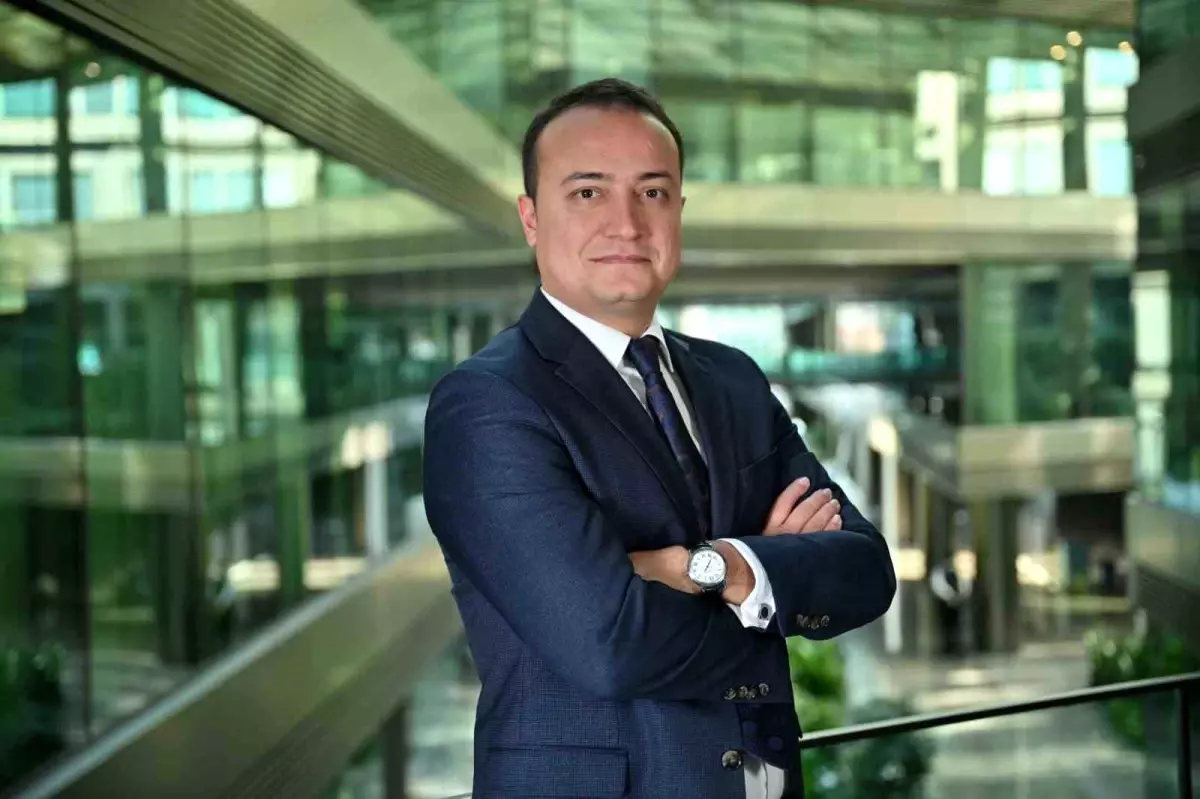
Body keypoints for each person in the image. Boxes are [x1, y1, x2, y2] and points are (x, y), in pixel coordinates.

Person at [423, 78, 896, 799]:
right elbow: (609, 644)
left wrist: (711, 566)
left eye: (652, 192)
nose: (626, 224)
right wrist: (771, 584)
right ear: (530, 217)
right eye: (588, 192)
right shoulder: (489, 403)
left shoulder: (732, 379)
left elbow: (866, 571)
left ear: (678, 210)